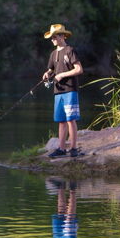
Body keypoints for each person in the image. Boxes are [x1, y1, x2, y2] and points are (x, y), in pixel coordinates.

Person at [42, 24, 83, 158]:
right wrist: (47, 74)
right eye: (51, 37)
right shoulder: (53, 54)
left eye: (54, 37)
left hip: (70, 90)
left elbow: (79, 69)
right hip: (58, 91)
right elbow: (51, 69)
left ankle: (73, 149)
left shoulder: (70, 50)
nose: (52, 39)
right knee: (61, 121)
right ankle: (61, 148)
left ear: (62, 36)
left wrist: (62, 75)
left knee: (71, 120)